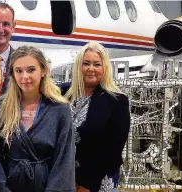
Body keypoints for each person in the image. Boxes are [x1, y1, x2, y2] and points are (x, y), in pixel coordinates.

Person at [0, 46, 75, 192]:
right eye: (19, 71)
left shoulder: (59, 109)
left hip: (47, 186)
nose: (25, 77)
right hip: (9, 186)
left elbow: (64, 159)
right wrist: (1, 187)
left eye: (31, 70)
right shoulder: (0, 107)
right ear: (12, 73)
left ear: (43, 70)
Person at [60, 41, 130, 192]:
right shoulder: (61, 93)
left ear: (104, 68)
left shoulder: (117, 101)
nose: (91, 69)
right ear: (79, 66)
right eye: (86, 63)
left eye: (97, 64)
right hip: (63, 179)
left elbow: (113, 151)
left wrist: (86, 185)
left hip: (98, 182)